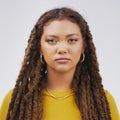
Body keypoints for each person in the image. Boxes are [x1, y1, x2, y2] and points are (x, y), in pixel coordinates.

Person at [0, 7, 119, 120]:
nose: (62, 49)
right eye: (51, 41)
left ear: (83, 46)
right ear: (40, 47)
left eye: (72, 40)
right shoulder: (17, 101)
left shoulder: (103, 101)